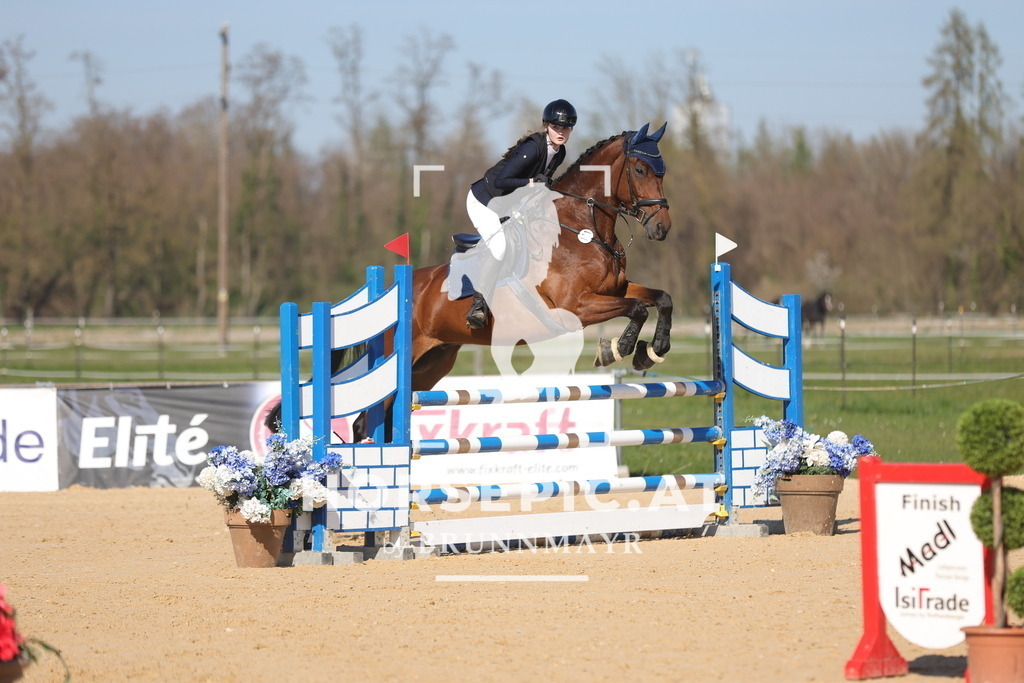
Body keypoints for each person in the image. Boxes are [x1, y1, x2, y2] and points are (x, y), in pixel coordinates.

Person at [462, 99, 577, 329]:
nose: (561, 132)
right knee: (500, 246)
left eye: (565, 128)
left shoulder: (560, 152)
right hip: (484, 201)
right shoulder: (533, 147)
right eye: (556, 127)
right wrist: (533, 182)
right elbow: (501, 180)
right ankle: (478, 304)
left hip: (507, 205)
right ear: (547, 126)